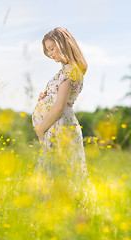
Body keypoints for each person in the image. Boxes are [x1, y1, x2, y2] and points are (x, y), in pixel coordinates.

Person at [32, 27, 89, 181]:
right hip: (57, 126)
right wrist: (46, 97)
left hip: (60, 127)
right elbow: (58, 98)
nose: (50, 54)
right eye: (48, 50)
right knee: (60, 176)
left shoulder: (70, 71)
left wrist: (41, 129)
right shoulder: (67, 70)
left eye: (52, 48)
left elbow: (59, 106)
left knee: (58, 177)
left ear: (63, 44)